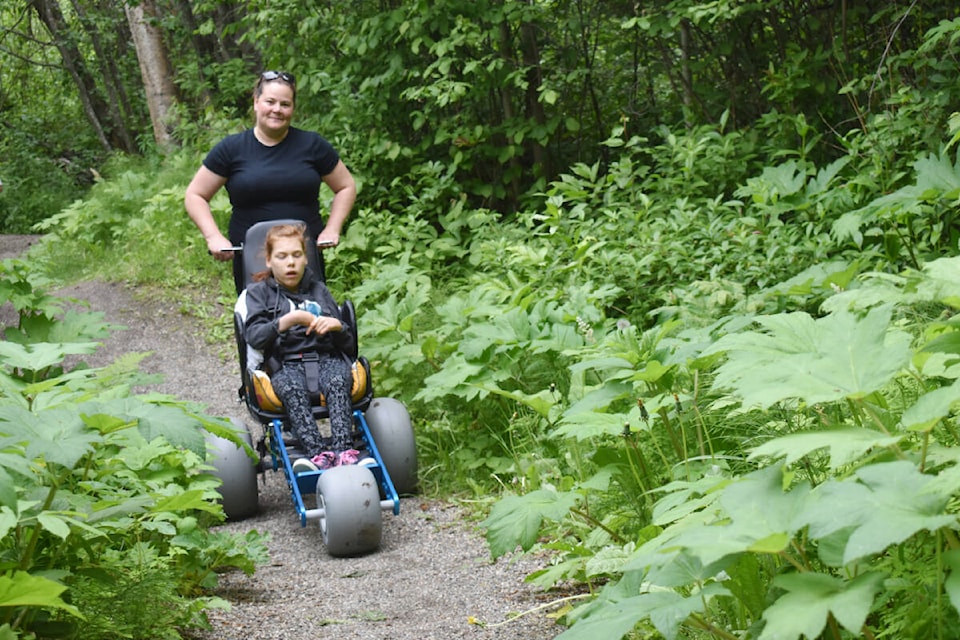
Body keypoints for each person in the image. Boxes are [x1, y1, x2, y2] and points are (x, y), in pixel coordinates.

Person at [185, 70, 356, 293]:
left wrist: (332, 229)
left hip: (303, 256)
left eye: (285, 104)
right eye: (270, 102)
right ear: (256, 102)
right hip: (253, 258)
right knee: (259, 320)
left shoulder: (312, 145)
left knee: (312, 318)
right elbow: (195, 195)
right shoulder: (231, 149)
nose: (277, 109)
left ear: (293, 108)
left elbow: (346, 186)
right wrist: (214, 237)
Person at [243, 223, 359, 472]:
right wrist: (287, 321)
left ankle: (343, 450)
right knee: (290, 387)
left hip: (326, 358)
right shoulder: (258, 295)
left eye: (297, 255)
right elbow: (254, 336)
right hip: (285, 364)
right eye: (282, 257)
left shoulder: (319, 290)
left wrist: (337, 325)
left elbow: (349, 346)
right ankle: (317, 454)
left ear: (306, 258)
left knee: (339, 380)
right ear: (269, 260)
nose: (290, 263)